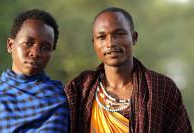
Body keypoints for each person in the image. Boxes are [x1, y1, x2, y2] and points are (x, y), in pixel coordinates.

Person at [64, 7, 192, 133]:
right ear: (94, 43)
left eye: (119, 34)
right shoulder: (80, 90)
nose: (110, 43)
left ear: (134, 37)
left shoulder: (161, 88)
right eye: (102, 37)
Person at [0, 9, 69, 132]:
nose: (35, 53)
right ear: (10, 45)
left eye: (45, 47)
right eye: (27, 43)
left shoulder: (64, 97)